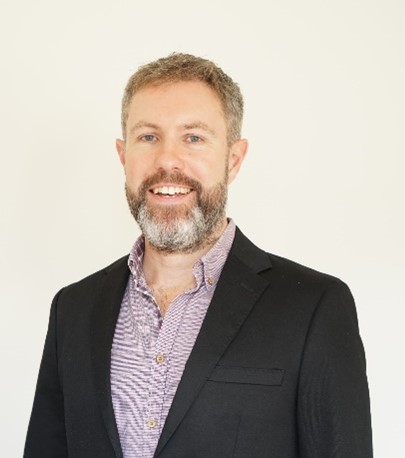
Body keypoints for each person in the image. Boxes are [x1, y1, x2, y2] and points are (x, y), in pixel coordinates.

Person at [24, 53, 373, 458]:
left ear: (233, 159)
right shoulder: (72, 309)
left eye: (193, 138)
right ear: (123, 155)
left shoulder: (314, 307)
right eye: (148, 137)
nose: (167, 160)